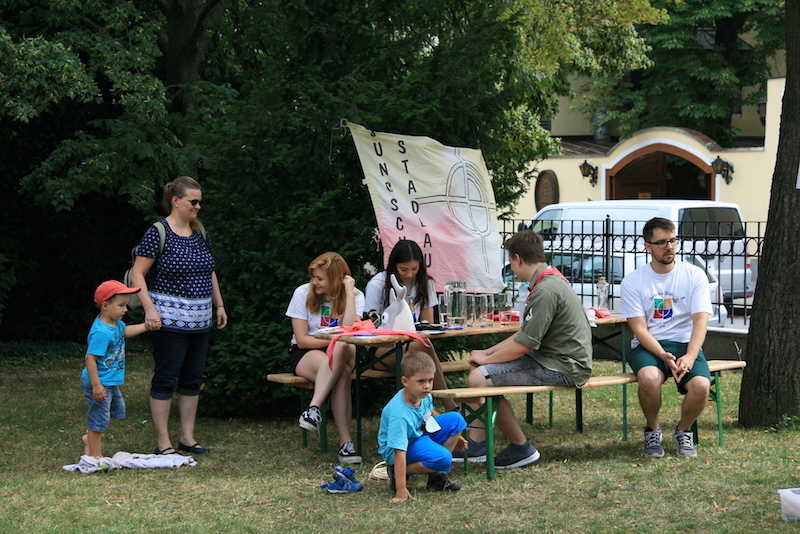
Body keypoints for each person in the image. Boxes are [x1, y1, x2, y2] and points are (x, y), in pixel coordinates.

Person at [463, 231, 592, 469]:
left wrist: (486, 360)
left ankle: (519, 448)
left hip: (564, 366)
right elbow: (525, 334)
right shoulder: (549, 280)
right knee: (481, 373)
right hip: (557, 360)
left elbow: (524, 345)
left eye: (510, 261)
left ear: (518, 258)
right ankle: (477, 445)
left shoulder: (545, 290)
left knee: (479, 378)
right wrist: (487, 354)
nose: (511, 268)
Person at [131, 176, 228, 456]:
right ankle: (164, 443)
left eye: (200, 202)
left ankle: (188, 438)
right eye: (193, 201)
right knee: (165, 378)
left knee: (192, 379)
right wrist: (150, 310)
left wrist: (219, 305)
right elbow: (138, 273)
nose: (198, 206)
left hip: (200, 322)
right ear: (175, 201)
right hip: (168, 321)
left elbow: (209, 271)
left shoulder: (200, 232)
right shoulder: (158, 232)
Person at [620, 217, 712, 458]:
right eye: (661, 242)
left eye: (672, 241)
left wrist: (690, 356)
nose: (669, 247)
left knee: (702, 386)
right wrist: (662, 354)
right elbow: (639, 329)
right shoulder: (633, 281)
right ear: (647, 246)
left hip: (685, 344)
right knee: (649, 378)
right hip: (649, 346)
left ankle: (683, 431)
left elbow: (700, 320)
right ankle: (653, 430)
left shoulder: (694, 275)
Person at [286, 252, 364, 464]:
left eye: (320, 278)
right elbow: (302, 340)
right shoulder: (302, 293)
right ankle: (346, 443)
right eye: (313, 277)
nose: (314, 282)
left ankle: (313, 409)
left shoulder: (355, 295)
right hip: (307, 352)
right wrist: (333, 340)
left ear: (336, 279)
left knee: (342, 342)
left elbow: (349, 332)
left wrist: (348, 293)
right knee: (342, 374)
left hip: (345, 351)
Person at [364, 239, 458, 412]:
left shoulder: (424, 282)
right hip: (383, 350)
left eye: (414, 269)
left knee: (422, 344)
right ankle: (449, 405)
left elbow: (427, 325)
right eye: (404, 269)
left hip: (414, 344)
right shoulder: (377, 284)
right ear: (394, 266)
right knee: (422, 346)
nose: (409, 274)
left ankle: (430, 411)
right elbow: (369, 329)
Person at [378, 351, 467, 503]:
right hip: (399, 449)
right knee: (444, 458)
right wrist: (401, 490)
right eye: (421, 381)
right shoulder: (399, 414)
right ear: (405, 381)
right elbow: (399, 451)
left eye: (430, 380)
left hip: (418, 435)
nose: (427, 386)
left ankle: (435, 476)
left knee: (456, 420)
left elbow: (429, 414)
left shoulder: (423, 395)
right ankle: (401, 472)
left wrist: (454, 434)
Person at [81, 280, 149, 458]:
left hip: (109, 382)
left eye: (126, 305)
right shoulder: (102, 333)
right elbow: (90, 359)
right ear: (105, 306)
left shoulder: (116, 324)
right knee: (98, 420)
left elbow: (125, 332)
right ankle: (95, 457)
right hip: (99, 382)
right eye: (121, 305)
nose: (125, 309)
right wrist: (96, 385)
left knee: (116, 411)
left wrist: (146, 326)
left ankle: (89, 439)